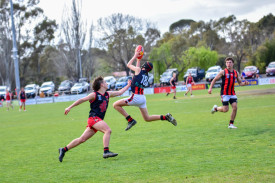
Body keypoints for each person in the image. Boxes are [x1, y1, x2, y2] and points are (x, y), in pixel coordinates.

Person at [58, 76, 131, 162]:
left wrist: (128, 85)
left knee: (82, 139)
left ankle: (63, 150)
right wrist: (69, 107)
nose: (107, 83)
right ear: (101, 85)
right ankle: (106, 151)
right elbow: (82, 100)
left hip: (97, 120)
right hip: (93, 118)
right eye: (105, 82)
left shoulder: (108, 94)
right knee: (108, 130)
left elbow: (119, 92)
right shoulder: (94, 95)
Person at [113, 50, 177, 131]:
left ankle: (130, 120)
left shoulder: (138, 70)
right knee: (147, 118)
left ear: (144, 66)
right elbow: (137, 71)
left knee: (115, 105)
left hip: (135, 97)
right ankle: (165, 117)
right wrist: (138, 60)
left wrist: (135, 56)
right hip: (142, 98)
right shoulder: (146, 75)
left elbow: (128, 65)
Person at [208, 57, 249, 129]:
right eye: (227, 62)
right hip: (224, 93)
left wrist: (244, 83)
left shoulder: (236, 73)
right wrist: (210, 88)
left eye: (230, 62)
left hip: (232, 93)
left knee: (235, 107)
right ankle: (216, 108)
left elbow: (240, 83)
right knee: (225, 110)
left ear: (233, 63)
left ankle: (231, 124)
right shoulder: (223, 72)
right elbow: (214, 80)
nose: (228, 64)